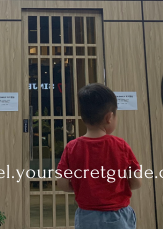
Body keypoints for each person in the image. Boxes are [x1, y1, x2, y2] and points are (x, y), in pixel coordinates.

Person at [56, 83, 142, 229]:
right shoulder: (121, 145)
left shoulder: (72, 147)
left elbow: (62, 184)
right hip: (118, 216)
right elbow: (136, 182)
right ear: (109, 117)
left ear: (83, 117)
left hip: (86, 216)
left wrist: (83, 188)